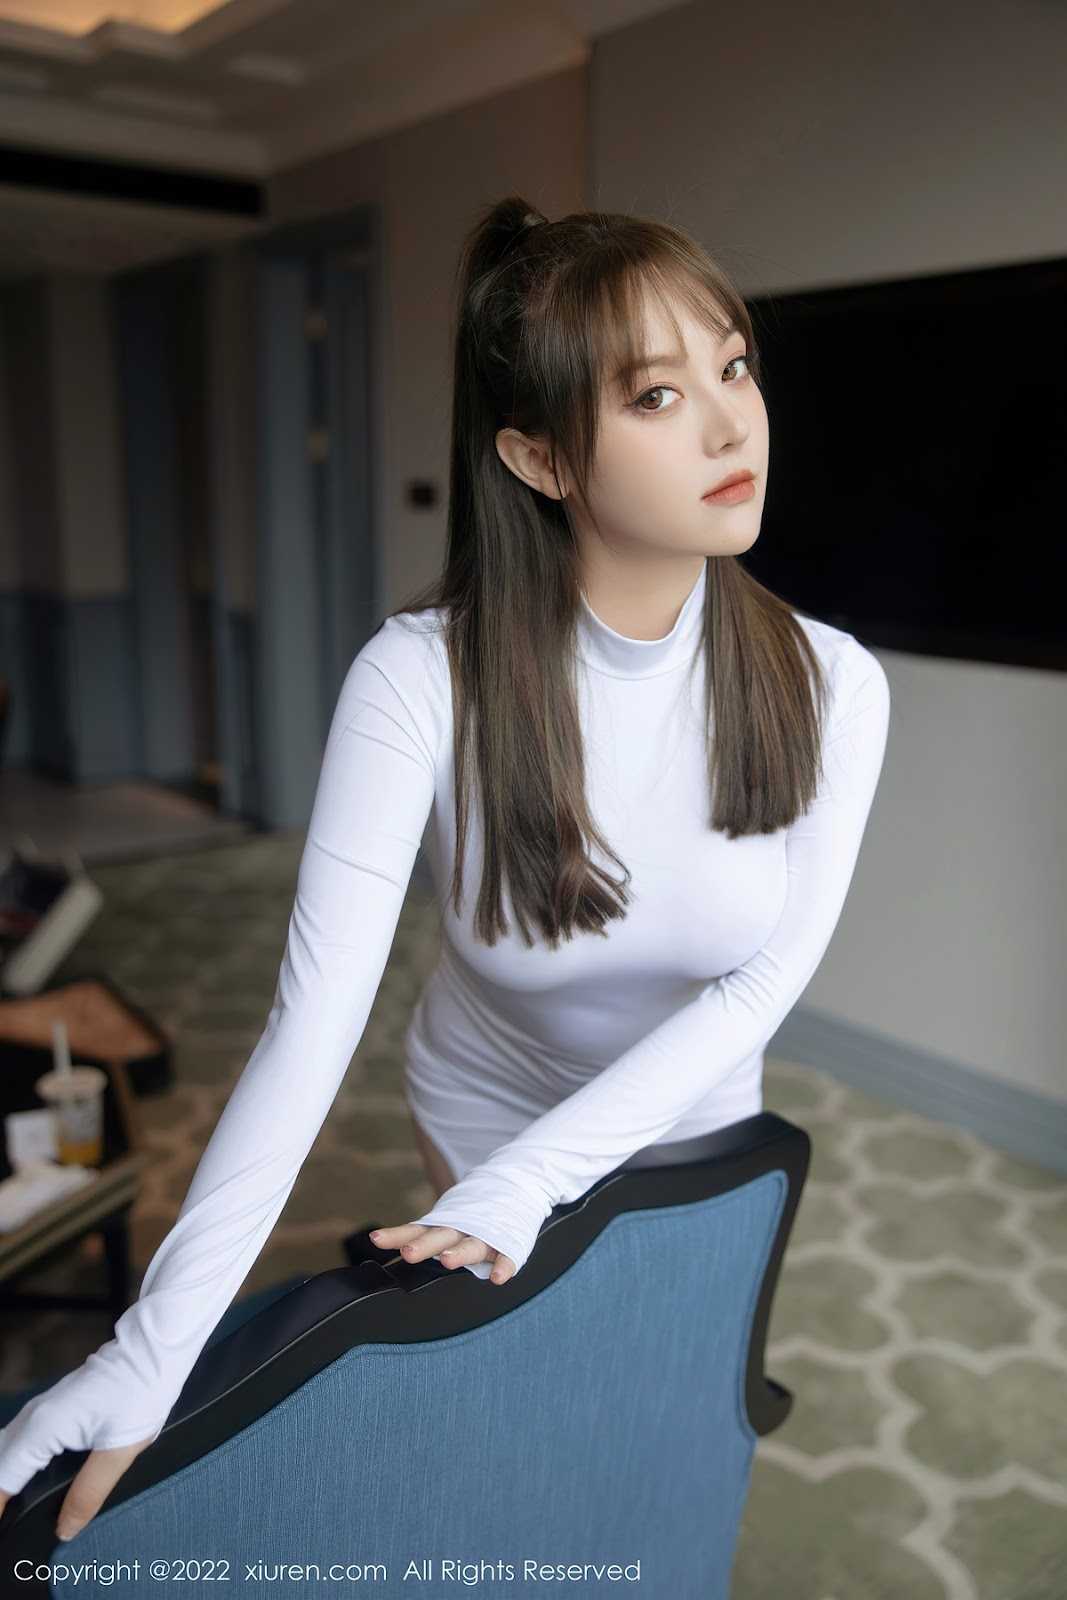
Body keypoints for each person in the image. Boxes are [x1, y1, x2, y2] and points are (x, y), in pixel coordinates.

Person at [0, 194, 890, 1539]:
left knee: (654, 1411)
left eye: (734, 366)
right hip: (483, 1100)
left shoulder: (833, 682)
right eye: (657, 396)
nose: (730, 427)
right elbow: (311, 1029)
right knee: (525, 1406)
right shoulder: (420, 679)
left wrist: (535, 1182)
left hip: (699, 1121)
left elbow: (762, 982)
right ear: (538, 456)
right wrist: (152, 1346)